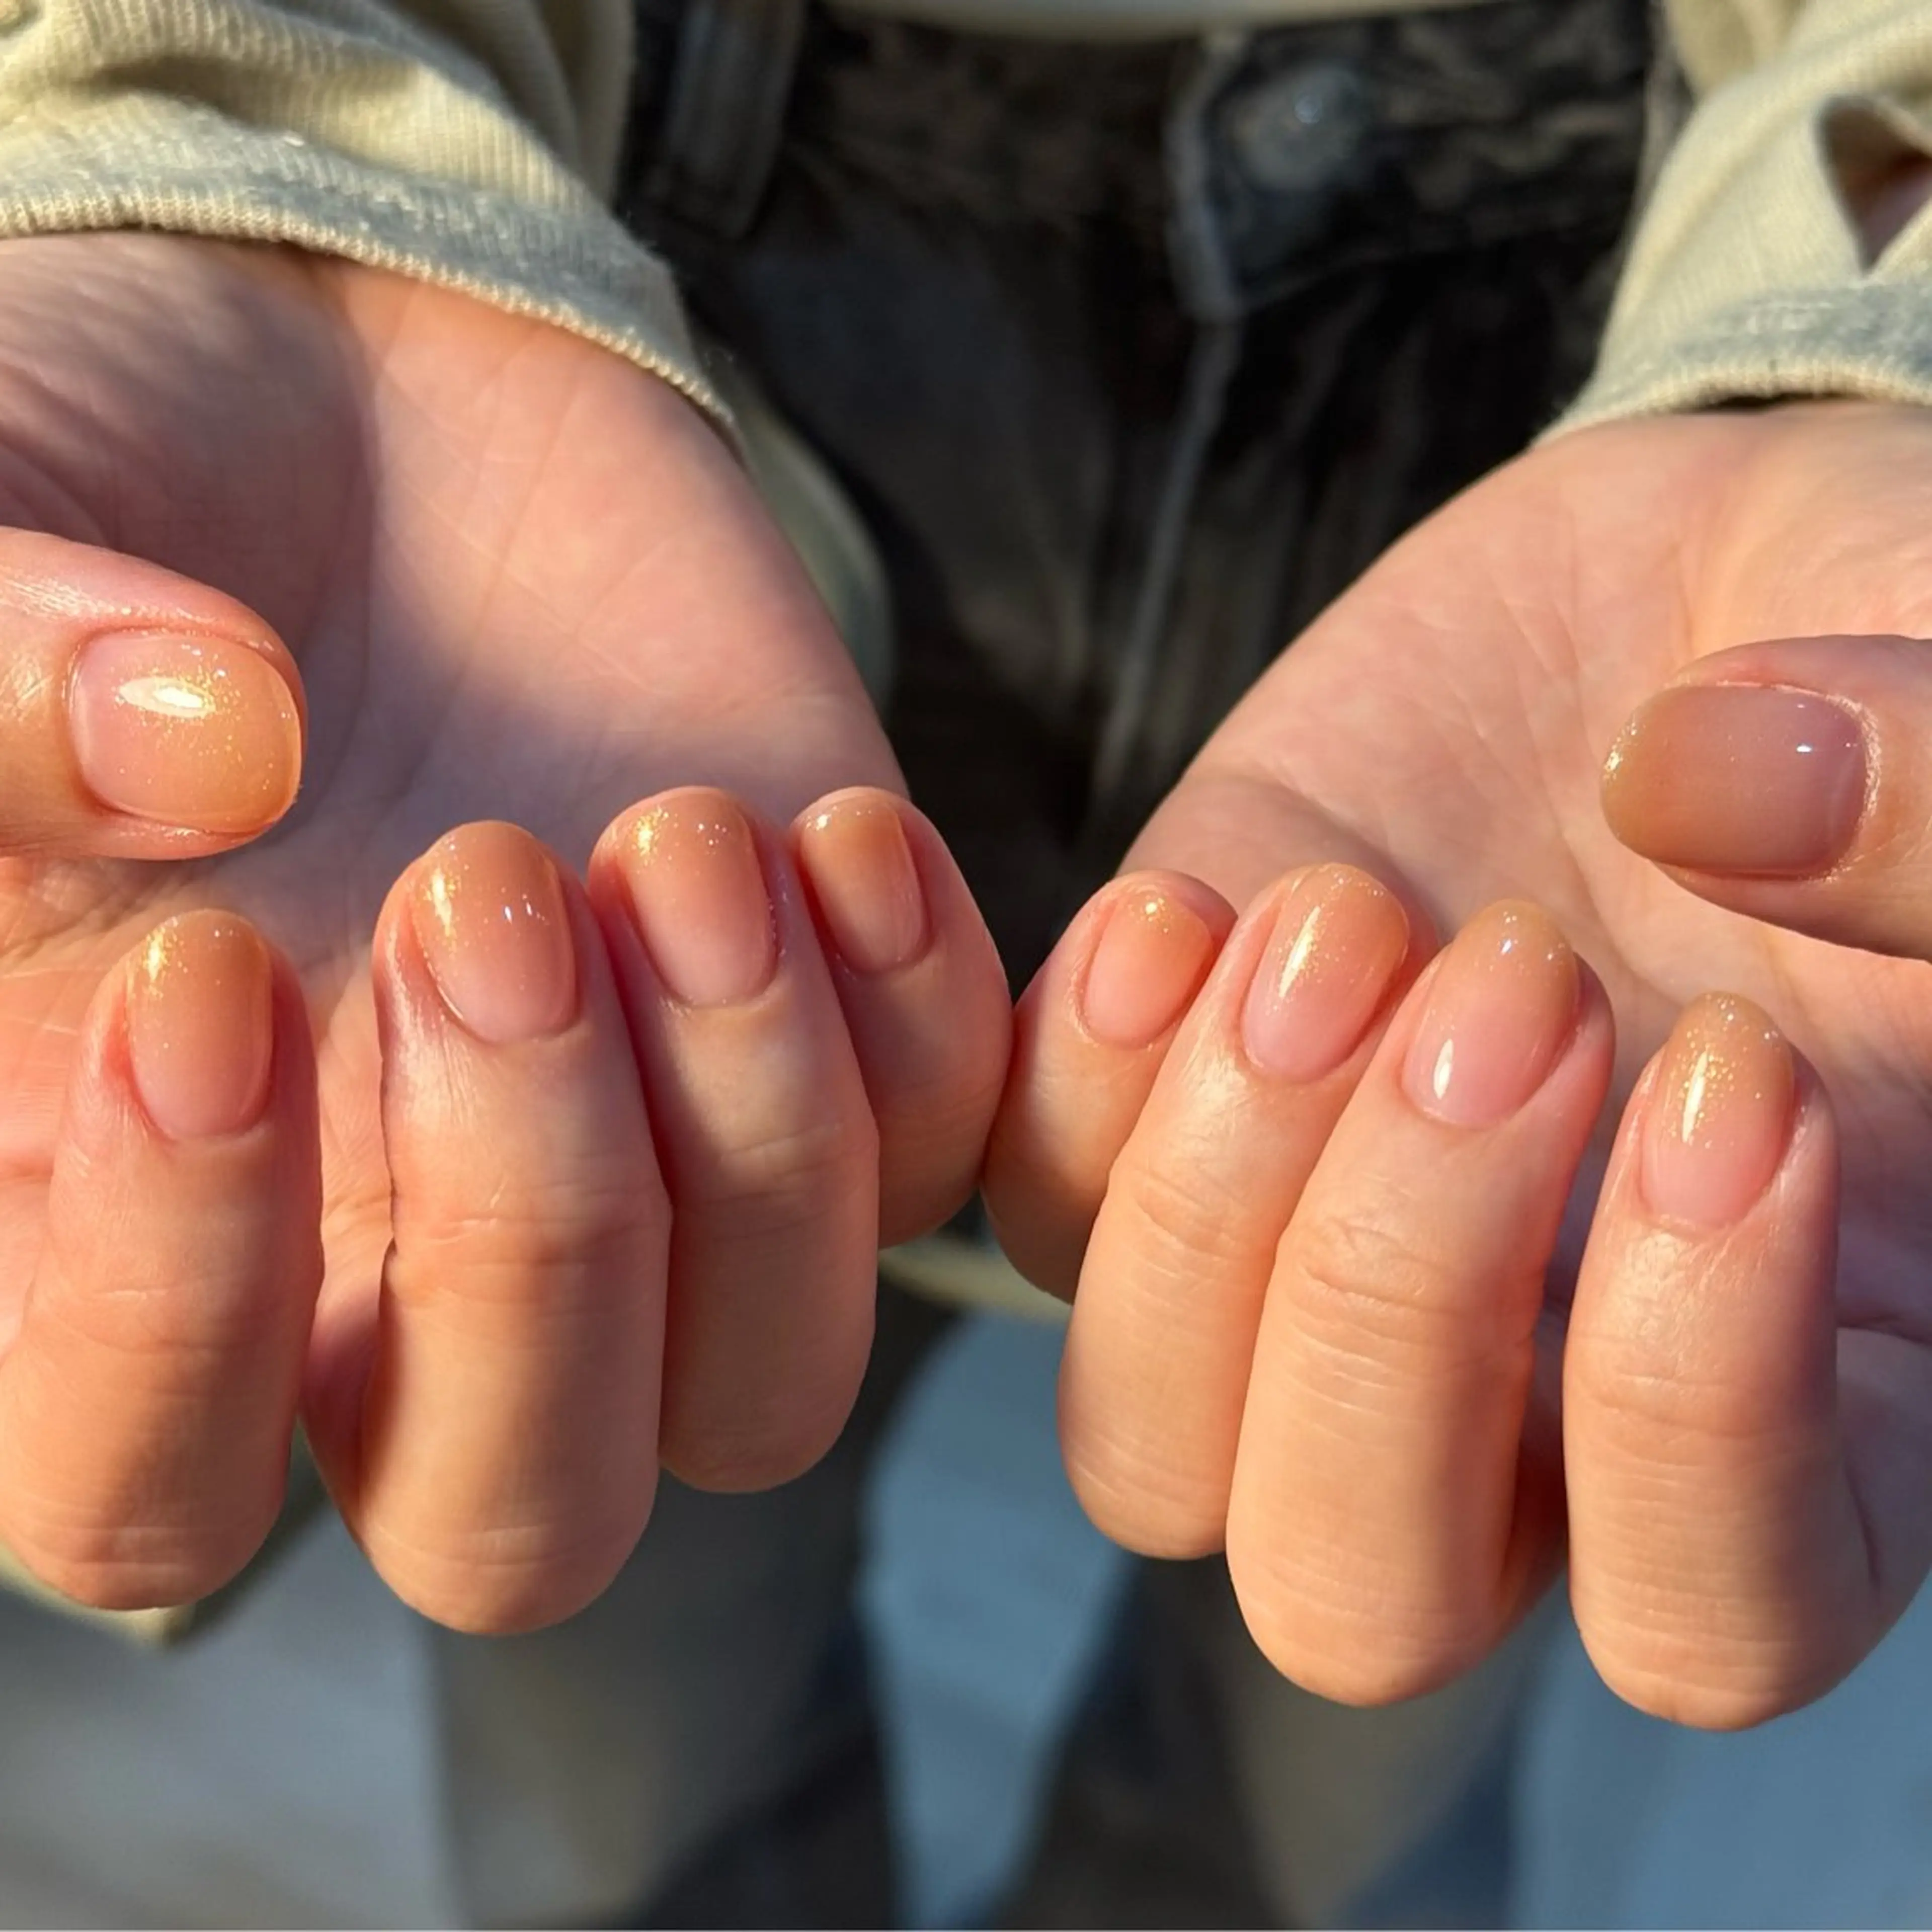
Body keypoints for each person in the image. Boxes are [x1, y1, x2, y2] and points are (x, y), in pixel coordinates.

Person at [0, 0, 1929, 1923]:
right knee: (633, 1749)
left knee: (1346, 1749)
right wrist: (202, 158)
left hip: (1603, 440)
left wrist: (1879, 327)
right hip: (579, 595)